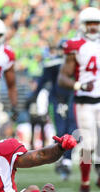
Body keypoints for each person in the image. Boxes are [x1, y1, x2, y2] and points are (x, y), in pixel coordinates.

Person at [58, 7, 100, 192]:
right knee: (88, 146)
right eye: (89, 23)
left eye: (96, 23)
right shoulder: (75, 46)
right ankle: (84, 184)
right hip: (84, 103)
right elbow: (63, 77)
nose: (93, 27)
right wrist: (78, 84)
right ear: (83, 25)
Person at [31, 39, 76, 181]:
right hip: (57, 100)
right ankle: (61, 158)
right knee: (61, 131)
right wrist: (33, 96)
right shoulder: (54, 63)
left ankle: (67, 160)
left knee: (72, 130)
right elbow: (43, 81)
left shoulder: (76, 63)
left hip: (72, 99)